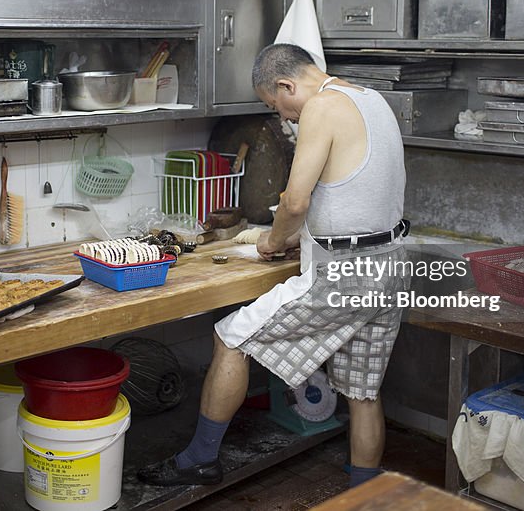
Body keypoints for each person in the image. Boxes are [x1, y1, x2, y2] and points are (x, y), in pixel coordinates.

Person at [138, 42, 410, 490]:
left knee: (231, 338)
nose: (285, 118)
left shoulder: (322, 106)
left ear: (287, 85)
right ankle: (365, 489)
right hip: (390, 263)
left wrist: (275, 239)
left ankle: (200, 460)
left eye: (277, 106)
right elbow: (355, 191)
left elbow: (295, 199)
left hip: (345, 272)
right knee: (363, 391)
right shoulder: (371, 98)